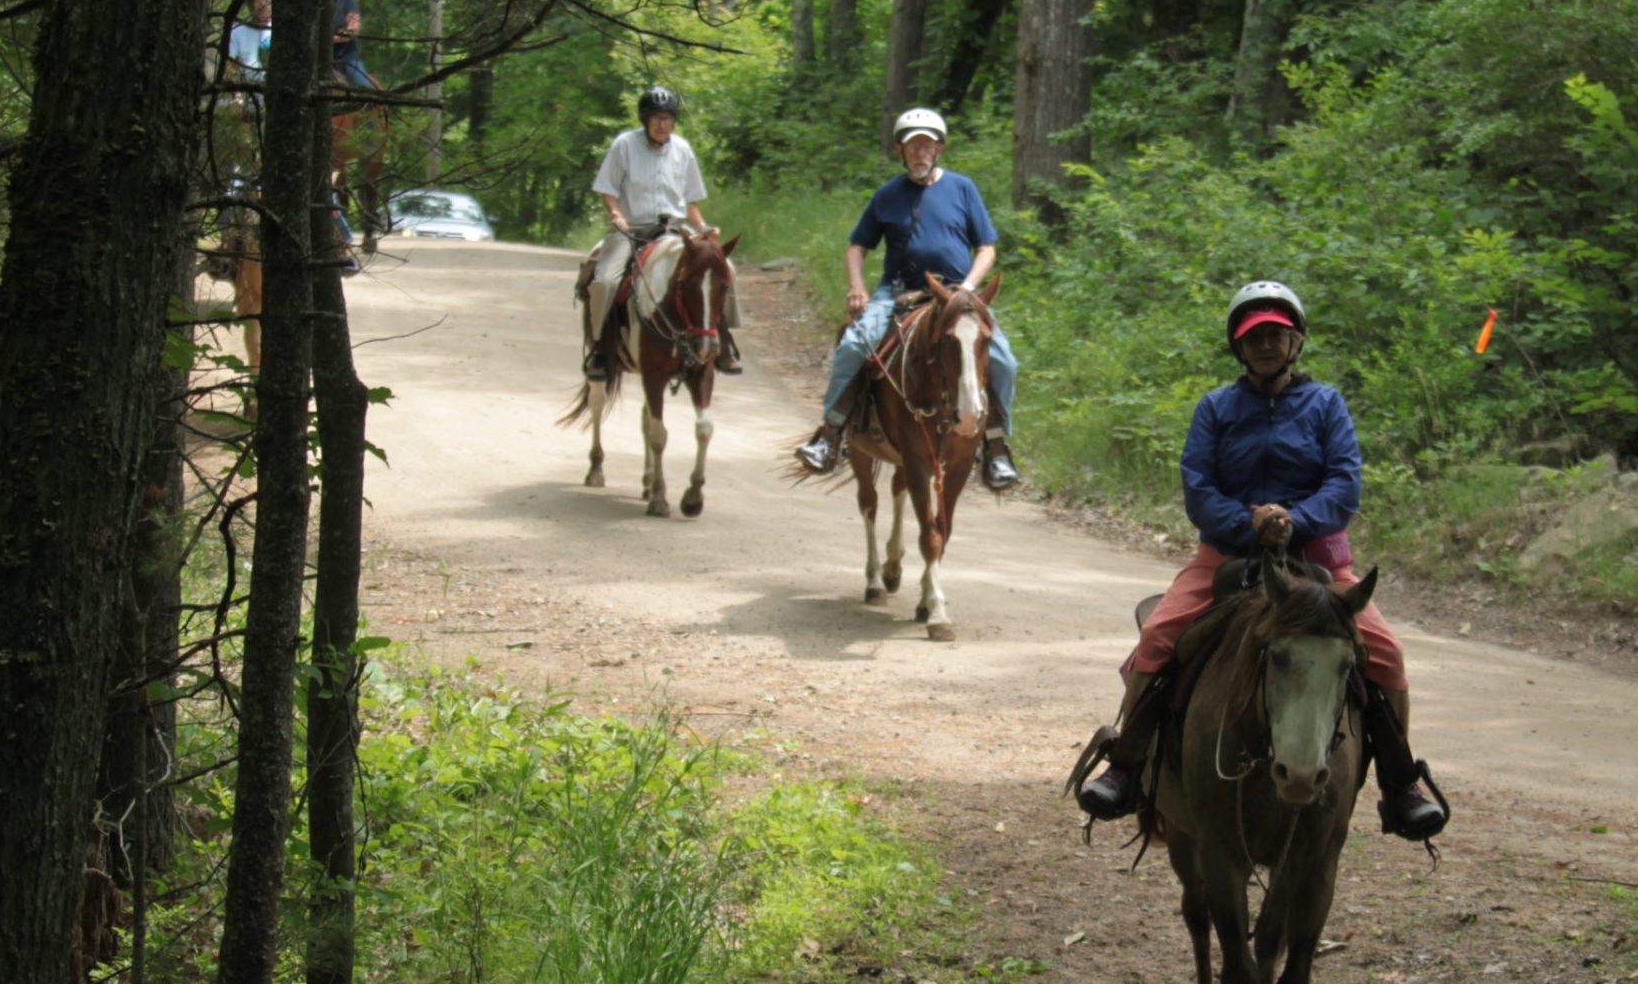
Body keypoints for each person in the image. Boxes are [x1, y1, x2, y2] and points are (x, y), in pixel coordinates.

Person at [1069, 280, 1448, 841]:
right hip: (1227, 553)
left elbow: (1344, 482)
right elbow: (1198, 485)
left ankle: (1399, 784)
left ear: (1295, 343)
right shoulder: (1216, 407)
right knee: (1157, 642)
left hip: (1316, 559)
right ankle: (1127, 765)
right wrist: (1247, 522)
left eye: (1276, 335)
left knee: (1386, 653)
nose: (1266, 345)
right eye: (1255, 338)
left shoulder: (1326, 405)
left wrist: (1294, 520)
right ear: (1238, 347)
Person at [793, 107, 1021, 491]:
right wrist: (857, 287)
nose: (921, 153)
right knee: (854, 345)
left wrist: (968, 286)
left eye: (927, 146)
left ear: (939, 150)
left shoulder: (963, 189)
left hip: (956, 295)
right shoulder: (887, 195)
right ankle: (830, 435)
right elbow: (857, 247)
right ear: (901, 151)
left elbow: (986, 248)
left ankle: (996, 444)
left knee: (1003, 359)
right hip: (899, 292)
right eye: (913, 146)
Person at [579, 86, 740, 377]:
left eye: (667, 119)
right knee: (605, 281)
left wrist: (703, 228)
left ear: (674, 121)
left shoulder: (683, 149)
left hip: (675, 230)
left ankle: (724, 340)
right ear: (645, 120)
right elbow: (607, 190)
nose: (662, 125)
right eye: (656, 119)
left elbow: (690, 201)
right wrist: (616, 214)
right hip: (633, 229)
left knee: (725, 267)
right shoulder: (624, 145)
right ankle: (601, 349)